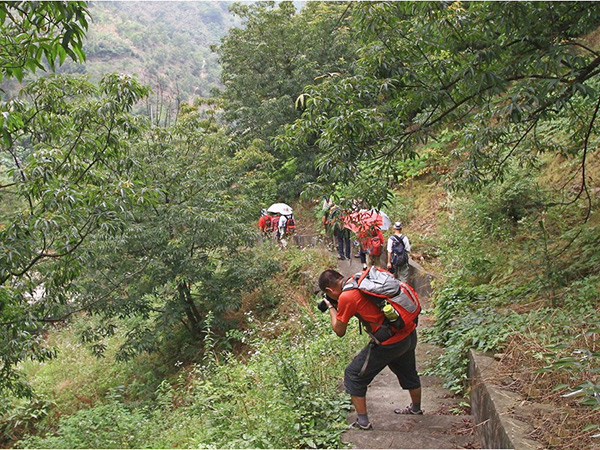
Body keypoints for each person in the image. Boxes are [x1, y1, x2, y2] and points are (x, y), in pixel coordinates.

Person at [318, 269, 423, 430]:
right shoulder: (360, 279)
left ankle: (363, 422)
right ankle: (416, 409)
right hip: (407, 333)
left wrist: (331, 307)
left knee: (353, 375)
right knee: (408, 371)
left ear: (330, 291)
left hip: (390, 342)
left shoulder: (347, 296)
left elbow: (339, 330)